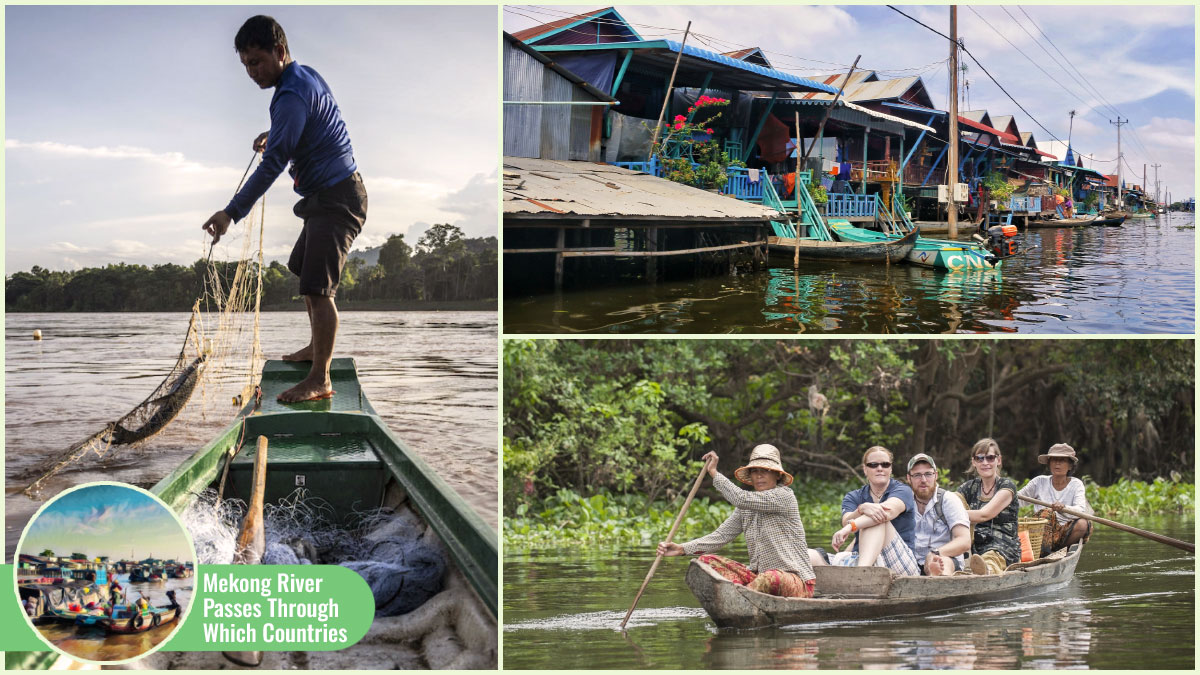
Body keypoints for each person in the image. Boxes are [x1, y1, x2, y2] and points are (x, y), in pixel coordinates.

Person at [201, 15, 367, 404]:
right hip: (324, 198)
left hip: (338, 197)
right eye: (245, 65)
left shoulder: (290, 95)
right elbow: (304, 123)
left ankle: (320, 377)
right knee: (301, 269)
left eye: (256, 62)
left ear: (279, 51)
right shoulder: (302, 78)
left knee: (318, 287)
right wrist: (275, 132)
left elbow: (273, 164)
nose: (251, 72)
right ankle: (314, 348)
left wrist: (231, 212)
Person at [657, 445, 816, 598]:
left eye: (765, 471)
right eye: (755, 471)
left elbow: (740, 498)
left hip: (794, 581)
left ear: (777, 475)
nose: (759, 476)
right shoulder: (747, 507)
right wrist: (682, 549)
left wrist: (713, 472)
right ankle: (741, 595)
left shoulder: (784, 496)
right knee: (705, 562)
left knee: (770, 578)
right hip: (758, 578)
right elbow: (721, 536)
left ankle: (739, 596)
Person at [819, 446, 920, 576]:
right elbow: (846, 520)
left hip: (901, 564)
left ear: (891, 468)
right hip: (862, 558)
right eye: (873, 465)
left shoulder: (903, 490)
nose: (879, 468)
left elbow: (886, 512)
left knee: (878, 519)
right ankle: (860, 572)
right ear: (865, 469)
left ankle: (861, 577)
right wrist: (861, 509)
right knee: (811, 556)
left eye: (885, 464)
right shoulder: (853, 496)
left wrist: (850, 527)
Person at [957, 438, 1020, 575]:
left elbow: (984, 514)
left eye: (990, 458)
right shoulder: (968, 488)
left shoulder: (1006, 486)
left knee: (991, 558)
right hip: (973, 543)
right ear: (974, 462)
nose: (985, 463)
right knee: (953, 499)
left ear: (999, 460)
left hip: (1002, 545)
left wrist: (953, 513)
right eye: (980, 458)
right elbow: (949, 504)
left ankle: (986, 571)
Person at [1017, 443, 1093, 555]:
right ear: (1049, 463)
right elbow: (1018, 500)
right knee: (1046, 513)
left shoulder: (1076, 484)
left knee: (1083, 524)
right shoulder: (1039, 482)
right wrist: (1004, 495)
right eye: (1054, 460)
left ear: (1070, 466)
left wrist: (1063, 508)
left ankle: (1059, 552)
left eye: (1062, 460)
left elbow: (1081, 510)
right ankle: (1042, 552)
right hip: (1040, 533)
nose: (1057, 463)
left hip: (1065, 533)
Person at [905, 453, 972, 576]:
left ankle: (940, 578)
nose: (923, 480)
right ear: (909, 478)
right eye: (917, 475)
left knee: (942, 562)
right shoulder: (904, 502)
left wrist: (935, 553)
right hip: (911, 563)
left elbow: (964, 540)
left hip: (945, 557)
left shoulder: (948, 499)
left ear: (936, 475)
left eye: (928, 474)